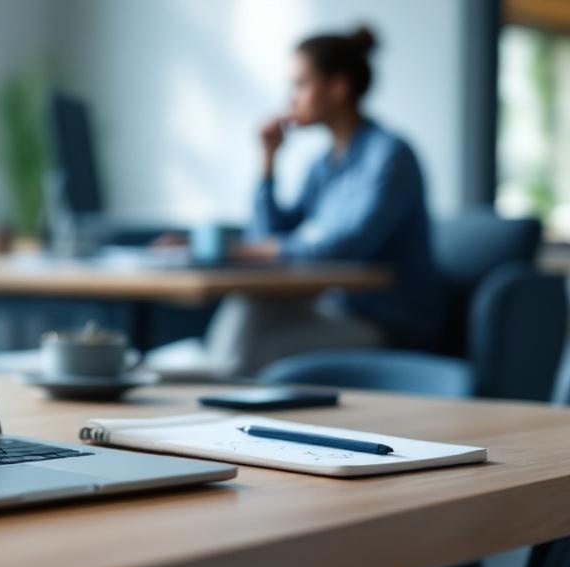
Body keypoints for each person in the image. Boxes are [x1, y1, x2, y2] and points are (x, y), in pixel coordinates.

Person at [152, 26, 443, 377]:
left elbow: (343, 247)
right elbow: (270, 236)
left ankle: (203, 383)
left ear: (338, 87)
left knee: (258, 353)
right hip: (332, 309)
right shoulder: (323, 165)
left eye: (300, 84)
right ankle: (203, 377)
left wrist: (235, 251)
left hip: (385, 321)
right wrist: (268, 160)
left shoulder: (389, 155)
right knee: (250, 304)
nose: (291, 98)